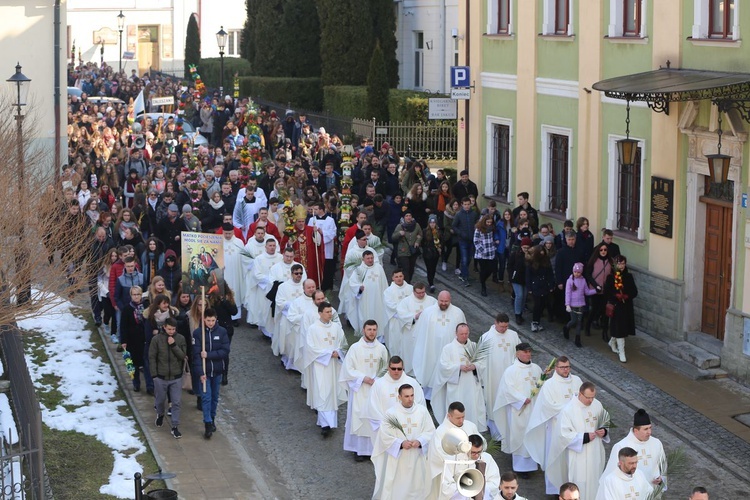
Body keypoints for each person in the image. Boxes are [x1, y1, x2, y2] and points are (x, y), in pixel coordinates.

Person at [525, 357, 583, 496]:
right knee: (557, 458)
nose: (565, 370)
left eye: (568, 367)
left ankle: (572, 489)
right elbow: (549, 406)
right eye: (562, 367)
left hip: (575, 427)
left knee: (572, 459)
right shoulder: (549, 384)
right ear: (556, 368)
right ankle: (556, 490)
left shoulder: (577, 381)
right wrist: (570, 409)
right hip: (556, 427)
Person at [371, 384, 436, 500]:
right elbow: (384, 436)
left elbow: (431, 431)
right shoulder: (391, 413)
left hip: (417, 457)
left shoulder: (422, 411)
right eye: (406, 396)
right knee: (398, 488)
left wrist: (420, 441)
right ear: (399, 397)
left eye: (412, 395)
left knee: (418, 485)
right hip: (399, 459)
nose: (410, 399)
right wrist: (400, 443)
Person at [547, 382, 610, 500]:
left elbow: (605, 421)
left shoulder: (597, 405)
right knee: (580, 482)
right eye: (588, 397)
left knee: (595, 480)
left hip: (595, 452)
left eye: (593, 397)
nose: (591, 401)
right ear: (580, 394)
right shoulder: (568, 410)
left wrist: (604, 431)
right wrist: (583, 438)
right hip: (578, 455)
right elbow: (563, 434)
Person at [340, 319, 389, 461]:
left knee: (374, 417)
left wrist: (377, 380)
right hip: (360, 388)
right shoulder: (355, 348)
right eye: (369, 329)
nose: (372, 332)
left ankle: (374, 449)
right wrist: (363, 378)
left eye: (374, 330)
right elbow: (348, 369)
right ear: (363, 330)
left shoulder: (381, 349)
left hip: (376, 389)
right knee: (359, 417)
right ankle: (359, 450)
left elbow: (385, 368)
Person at [493, 342, 543, 477]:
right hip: (519, 410)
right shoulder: (511, 371)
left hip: (534, 409)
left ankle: (533, 463)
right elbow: (507, 390)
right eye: (525, 352)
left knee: (533, 434)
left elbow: (541, 387)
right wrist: (521, 399)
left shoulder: (537, 369)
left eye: (529, 352)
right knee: (520, 436)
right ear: (517, 353)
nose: (528, 354)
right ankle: (521, 467)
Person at [301, 302, 347, 438]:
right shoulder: (313, 329)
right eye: (327, 312)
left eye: (331, 311)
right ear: (320, 313)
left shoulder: (337, 328)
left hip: (334, 366)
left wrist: (338, 353)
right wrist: (328, 354)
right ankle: (325, 424)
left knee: (332, 392)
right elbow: (310, 348)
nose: (330, 314)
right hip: (321, 366)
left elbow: (343, 344)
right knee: (322, 392)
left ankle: (330, 422)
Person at [430, 323, 488, 433]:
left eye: (466, 333)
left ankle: (472, 431)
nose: (464, 336)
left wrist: (474, 366)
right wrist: (458, 367)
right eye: (461, 334)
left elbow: (482, 363)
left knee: (472, 407)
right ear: (456, 333)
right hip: (456, 386)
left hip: (471, 384)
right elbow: (443, 366)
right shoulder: (448, 348)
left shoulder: (474, 347)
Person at [411, 291, 466, 399]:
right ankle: (428, 396)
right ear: (438, 299)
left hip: (450, 350)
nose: (444, 303)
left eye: (446, 301)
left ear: (450, 300)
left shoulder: (458, 313)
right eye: (441, 301)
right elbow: (419, 333)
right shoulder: (428, 312)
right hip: (430, 349)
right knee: (430, 370)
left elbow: (463, 331)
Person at [477, 313, 521, 440]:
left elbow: (519, 353)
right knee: (494, 401)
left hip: (511, 378)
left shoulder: (513, 335)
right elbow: (480, 360)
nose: (504, 329)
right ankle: (496, 432)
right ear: (495, 323)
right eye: (501, 327)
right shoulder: (486, 338)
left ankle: (510, 431)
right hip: (493, 377)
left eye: (506, 326)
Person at [426, 402, 480, 499]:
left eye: (463, 417)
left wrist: (473, 450)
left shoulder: (470, 426)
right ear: (449, 416)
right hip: (449, 472)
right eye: (458, 418)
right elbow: (439, 454)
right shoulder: (441, 432)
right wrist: (461, 454)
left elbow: (480, 443)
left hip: (468, 469)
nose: (461, 420)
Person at [602, 409, 666, 489]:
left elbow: (663, 467)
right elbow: (611, 475)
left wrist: (661, 479)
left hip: (653, 492)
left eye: (650, 428)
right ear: (636, 430)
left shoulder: (656, 443)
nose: (649, 432)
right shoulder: (621, 446)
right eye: (645, 429)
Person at [193, 308, 230, 439]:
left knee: (215, 397)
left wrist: (209, 355)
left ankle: (212, 417)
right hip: (205, 372)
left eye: (213, 320)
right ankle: (207, 422)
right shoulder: (198, 333)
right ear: (204, 319)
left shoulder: (222, 332)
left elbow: (225, 350)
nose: (210, 323)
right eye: (208, 320)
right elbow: (196, 356)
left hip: (217, 370)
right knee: (206, 397)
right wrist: (200, 372)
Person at [365, 356, 426, 433]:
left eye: (399, 369)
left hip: (409, 426)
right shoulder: (378, 384)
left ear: (403, 368)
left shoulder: (412, 383)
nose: (396, 371)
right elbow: (373, 408)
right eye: (393, 368)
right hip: (386, 428)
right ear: (388, 368)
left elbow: (420, 405)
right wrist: (387, 425)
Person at [149, 317, 187, 439]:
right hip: (161, 377)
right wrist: (154, 375)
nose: (171, 331)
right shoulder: (156, 340)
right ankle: (160, 414)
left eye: (173, 329)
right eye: (169, 329)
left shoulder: (180, 338)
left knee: (176, 402)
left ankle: (175, 426)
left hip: (176, 377)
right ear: (164, 327)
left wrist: (174, 345)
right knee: (160, 400)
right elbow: (152, 357)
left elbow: (182, 356)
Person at [395, 283, 437, 375]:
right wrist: (414, 316)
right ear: (414, 291)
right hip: (411, 333)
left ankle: (424, 373)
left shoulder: (432, 301)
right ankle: (411, 372)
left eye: (423, 292)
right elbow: (401, 315)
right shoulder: (406, 302)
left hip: (427, 334)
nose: (421, 295)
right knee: (411, 352)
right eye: (419, 293)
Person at [281, 205, 325, 289]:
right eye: (299, 221)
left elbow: (318, 243)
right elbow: (283, 246)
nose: (301, 223)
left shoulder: (311, 229)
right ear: (295, 221)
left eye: (302, 221)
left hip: (310, 261)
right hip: (296, 260)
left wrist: (316, 234)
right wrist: (289, 244)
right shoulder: (290, 231)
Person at [604, 255, 638, 362]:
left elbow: (634, 291)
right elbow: (607, 292)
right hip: (616, 306)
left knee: (623, 328)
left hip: (626, 306)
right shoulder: (611, 277)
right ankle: (621, 352)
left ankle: (612, 341)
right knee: (619, 328)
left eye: (623, 263)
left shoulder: (628, 276)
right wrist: (616, 296)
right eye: (619, 263)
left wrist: (627, 296)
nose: (621, 266)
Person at [248, 238, 283, 336]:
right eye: (270, 246)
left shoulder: (280, 258)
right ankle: (265, 331)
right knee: (264, 309)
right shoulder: (259, 258)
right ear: (266, 247)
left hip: (277, 288)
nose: (272, 248)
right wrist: (270, 280)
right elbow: (256, 274)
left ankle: (275, 331)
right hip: (264, 288)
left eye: (273, 246)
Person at [348, 250, 388, 335]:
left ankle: (380, 334)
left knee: (379, 314)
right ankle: (366, 333)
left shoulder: (379, 267)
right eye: (368, 258)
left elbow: (384, 283)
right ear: (363, 259)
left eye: (372, 258)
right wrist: (359, 288)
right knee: (366, 315)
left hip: (378, 298)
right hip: (365, 299)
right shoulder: (359, 270)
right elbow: (352, 283)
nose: (370, 260)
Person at [119, 286, 148, 392]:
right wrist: (123, 341)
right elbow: (123, 326)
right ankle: (136, 383)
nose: (136, 296)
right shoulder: (127, 309)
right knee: (133, 364)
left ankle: (149, 386)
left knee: (146, 364)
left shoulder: (146, 306)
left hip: (144, 338)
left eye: (138, 294)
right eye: (134, 294)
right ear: (131, 296)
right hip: (132, 340)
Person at [583, 243, 613, 342]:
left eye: (605, 250)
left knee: (605, 312)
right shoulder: (593, 261)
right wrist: (596, 286)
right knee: (594, 309)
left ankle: (604, 332)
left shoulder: (610, 262)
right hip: (595, 290)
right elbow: (588, 275)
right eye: (601, 250)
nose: (603, 251)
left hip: (606, 290)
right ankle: (587, 326)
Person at [564, 263, 597, 348]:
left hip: (581, 304)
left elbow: (587, 292)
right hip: (572, 304)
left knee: (579, 322)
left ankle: (577, 339)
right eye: (575, 272)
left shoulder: (583, 281)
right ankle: (566, 328)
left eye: (578, 272)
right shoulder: (570, 281)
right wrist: (567, 304)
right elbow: (567, 293)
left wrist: (595, 290)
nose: (576, 273)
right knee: (573, 320)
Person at [308, 201, 337, 291]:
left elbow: (333, 233)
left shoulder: (330, 220)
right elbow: (308, 232)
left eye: (316, 209)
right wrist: (313, 231)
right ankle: (317, 283)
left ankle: (326, 285)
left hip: (327, 248)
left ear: (321, 209)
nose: (314, 211)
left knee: (327, 267)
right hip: (315, 247)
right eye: (314, 209)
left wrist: (322, 232)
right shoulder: (311, 220)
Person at [221, 222, 246, 322]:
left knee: (236, 291)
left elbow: (244, 258)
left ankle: (235, 317)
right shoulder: (219, 242)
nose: (227, 235)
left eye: (229, 233)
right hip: (223, 272)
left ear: (233, 232)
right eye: (226, 233)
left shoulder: (239, 242)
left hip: (236, 272)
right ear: (223, 232)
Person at [383, 269, 414, 348]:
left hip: (409, 318)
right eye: (396, 277)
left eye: (400, 276)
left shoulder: (411, 288)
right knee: (396, 341)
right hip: (396, 319)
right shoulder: (388, 291)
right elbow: (390, 305)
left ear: (403, 276)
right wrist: (402, 312)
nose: (399, 278)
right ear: (393, 278)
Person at [452, 197, 479, 285]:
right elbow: (454, 226)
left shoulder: (474, 214)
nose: (467, 206)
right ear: (462, 205)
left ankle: (464, 272)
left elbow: (477, 224)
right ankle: (465, 277)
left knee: (469, 258)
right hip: (463, 240)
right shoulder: (459, 214)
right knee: (464, 258)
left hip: (471, 240)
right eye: (465, 204)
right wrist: (461, 233)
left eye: (468, 204)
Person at [392, 211, 423, 282]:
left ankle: (408, 282)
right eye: (406, 216)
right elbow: (393, 237)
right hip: (403, 251)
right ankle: (405, 283)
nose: (408, 217)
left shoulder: (416, 225)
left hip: (413, 251)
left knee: (411, 269)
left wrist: (417, 241)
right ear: (404, 218)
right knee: (405, 268)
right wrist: (399, 234)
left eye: (410, 216)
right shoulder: (400, 226)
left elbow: (420, 235)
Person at [508, 237, 532, 324]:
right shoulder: (515, 254)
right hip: (516, 279)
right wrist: (511, 277)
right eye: (524, 247)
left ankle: (520, 313)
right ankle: (517, 314)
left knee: (524, 296)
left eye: (527, 247)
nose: (525, 249)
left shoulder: (531, 255)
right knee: (520, 295)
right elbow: (510, 265)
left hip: (526, 279)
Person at [474, 214, 497, 296]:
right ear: (484, 221)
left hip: (491, 252)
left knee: (491, 269)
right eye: (487, 222)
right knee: (483, 270)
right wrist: (482, 250)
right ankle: (483, 287)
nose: (489, 224)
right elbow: (476, 241)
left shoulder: (492, 229)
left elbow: (492, 238)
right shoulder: (478, 229)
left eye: (490, 222)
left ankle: (482, 279)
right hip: (482, 254)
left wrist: (494, 245)